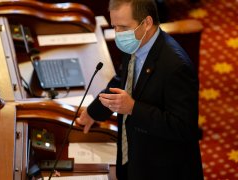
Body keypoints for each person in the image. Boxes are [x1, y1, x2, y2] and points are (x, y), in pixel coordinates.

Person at [76, 0, 204, 179]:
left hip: (164, 169)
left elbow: (184, 128)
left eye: (123, 27)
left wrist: (133, 108)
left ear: (147, 23)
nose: (118, 34)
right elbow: (122, 80)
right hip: (135, 157)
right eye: (115, 27)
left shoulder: (176, 66)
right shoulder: (136, 42)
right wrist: (93, 112)